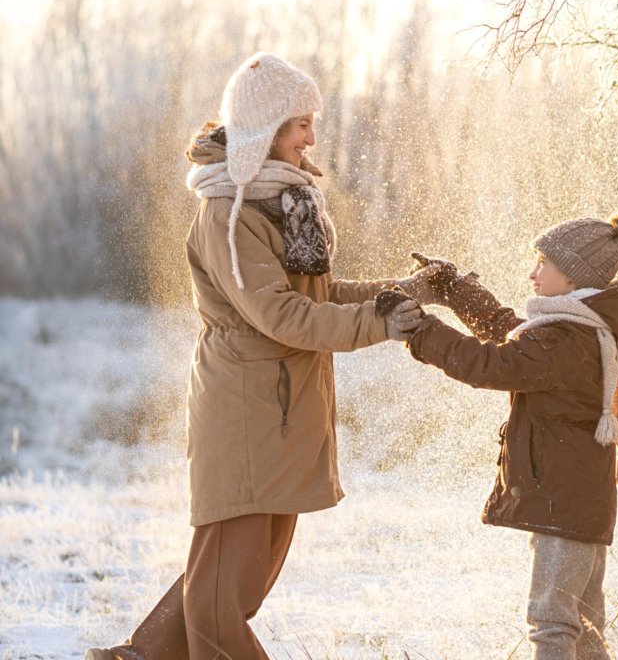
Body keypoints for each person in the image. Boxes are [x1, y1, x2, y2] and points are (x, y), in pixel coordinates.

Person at [85, 52, 429, 660]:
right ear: (268, 128)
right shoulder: (228, 214)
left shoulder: (284, 204)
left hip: (283, 411)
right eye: (301, 124)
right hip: (246, 411)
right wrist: (381, 324)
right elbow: (281, 315)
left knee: (235, 582)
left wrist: (399, 295)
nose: (312, 138)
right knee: (221, 602)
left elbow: (317, 296)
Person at [386, 212, 618, 659]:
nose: (532, 272)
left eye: (542, 262)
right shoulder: (574, 328)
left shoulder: (568, 338)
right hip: (577, 501)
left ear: (572, 276)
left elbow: (493, 364)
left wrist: (421, 330)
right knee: (582, 625)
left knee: (553, 623)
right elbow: (509, 334)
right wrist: (456, 290)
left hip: (565, 505)